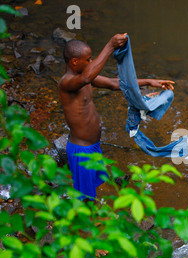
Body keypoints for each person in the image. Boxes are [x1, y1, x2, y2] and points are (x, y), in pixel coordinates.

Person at [58, 34, 175, 200]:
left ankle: (93, 219)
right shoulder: (67, 82)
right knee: (83, 197)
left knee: (92, 189)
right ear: (75, 61)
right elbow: (87, 77)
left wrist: (150, 81)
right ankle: (83, 225)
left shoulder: (84, 78)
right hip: (81, 150)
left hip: (93, 146)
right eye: (88, 59)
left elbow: (114, 83)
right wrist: (110, 46)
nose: (91, 63)